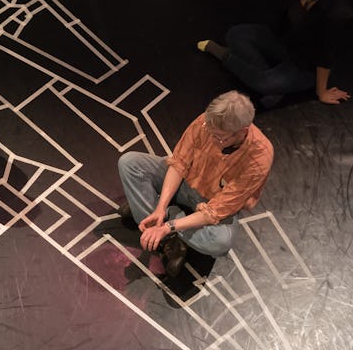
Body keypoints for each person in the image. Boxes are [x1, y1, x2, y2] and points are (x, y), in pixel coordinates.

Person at [114, 91, 274, 281]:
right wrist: (160, 207)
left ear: (242, 131)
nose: (213, 139)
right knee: (130, 163)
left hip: (212, 201)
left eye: (220, 137)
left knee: (219, 243)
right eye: (210, 131)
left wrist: (168, 226)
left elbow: (214, 212)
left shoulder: (259, 159)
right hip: (185, 180)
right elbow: (179, 164)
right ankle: (162, 227)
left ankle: (160, 222)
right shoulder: (206, 123)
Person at [197, 0, 353, 107]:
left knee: (264, 83)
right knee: (235, 34)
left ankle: (224, 55)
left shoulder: (338, 11)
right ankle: (276, 86)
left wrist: (322, 92)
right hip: (287, 42)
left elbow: (325, 55)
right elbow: (288, 19)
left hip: (305, 64)